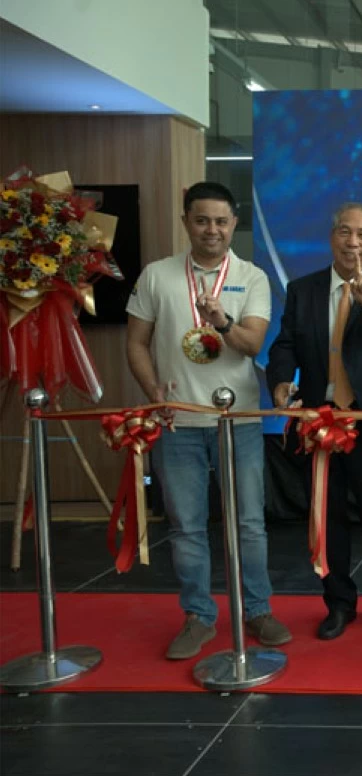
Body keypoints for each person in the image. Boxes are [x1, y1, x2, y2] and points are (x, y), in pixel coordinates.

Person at [126, 181, 292, 659]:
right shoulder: (157, 276)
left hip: (236, 422)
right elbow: (136, 342)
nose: (212, 230)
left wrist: (221, 320)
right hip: (178, 424)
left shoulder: (251, 276)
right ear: (186, 222)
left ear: (234, 224)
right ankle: (198, 617)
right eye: (202, 220)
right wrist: (153, 392)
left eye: (221, 221)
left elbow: (253, 345)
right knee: (187, 528)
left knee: (250, 524)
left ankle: (257, 610)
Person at [266, 202, 362, 640]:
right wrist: (280, 380)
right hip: (321, 420)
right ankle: (338, 603)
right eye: (345, 233)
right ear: (332, 237)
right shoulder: (303, 289)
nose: (353, 242)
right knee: (327, 518)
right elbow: (285, 344)